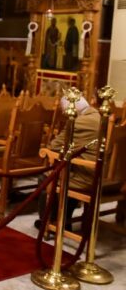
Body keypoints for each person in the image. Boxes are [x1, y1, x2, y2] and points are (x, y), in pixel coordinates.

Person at [35, 96, 101, 230]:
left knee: (45, 177)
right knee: (68, 170)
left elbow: (54, 147)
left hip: (88, 176)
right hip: (104, 174)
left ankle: (48, 222)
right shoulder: (99, 116)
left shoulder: (78, 122)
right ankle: (65, 219)